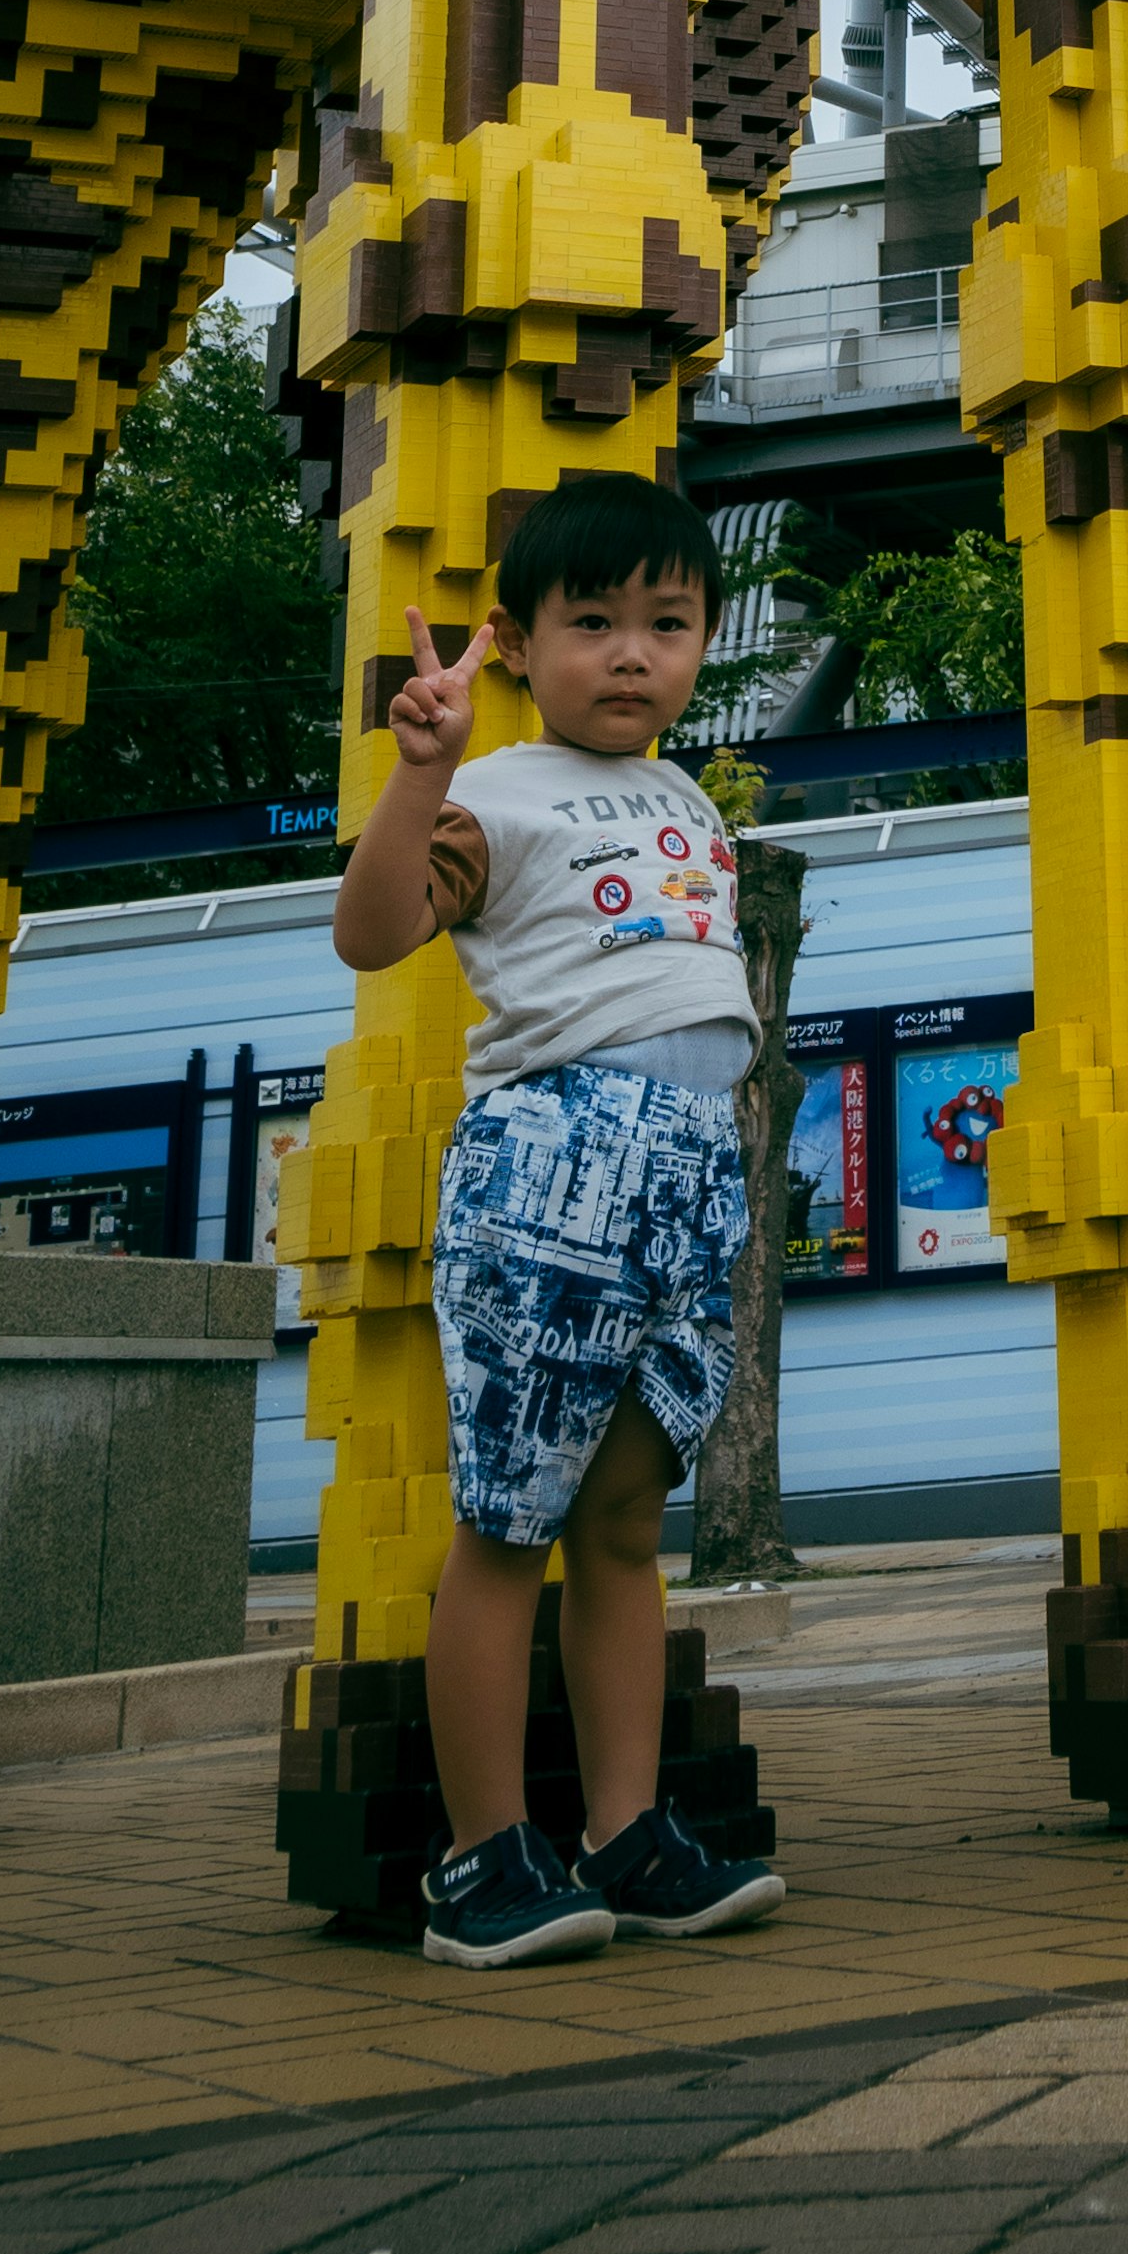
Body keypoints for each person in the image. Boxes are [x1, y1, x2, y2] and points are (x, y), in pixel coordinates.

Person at [332, 470, 791, 1971]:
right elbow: (375, 931)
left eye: (668, 621)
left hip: (687, 1174)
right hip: (553, 1169)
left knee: (623, 1520)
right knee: (509, 1519)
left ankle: (626, 1832)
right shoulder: (498, 790)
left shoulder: (684, 798)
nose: (634, 653)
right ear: (518, 643)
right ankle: (479, 1862)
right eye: (593, 622)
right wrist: (422, 772)